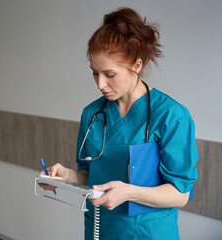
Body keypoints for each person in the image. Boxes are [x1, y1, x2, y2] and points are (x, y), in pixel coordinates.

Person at [39, 7, 198, 239]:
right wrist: (66, 176)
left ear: (137, 65)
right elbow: (89, 176)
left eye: (109, 74)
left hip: (148, 232)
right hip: (100, 229)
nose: (100, 84)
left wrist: (129, 193)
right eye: (95, 73)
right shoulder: (92, 114)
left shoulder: (171, 116)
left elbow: (180, 194)